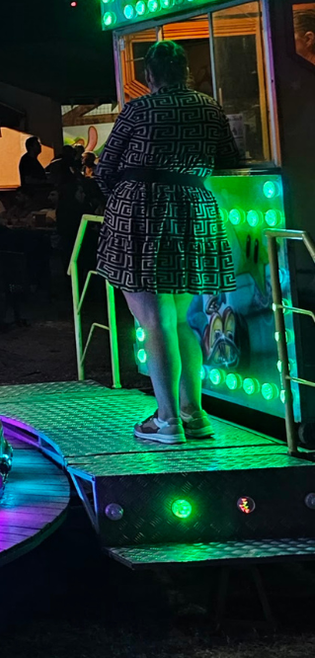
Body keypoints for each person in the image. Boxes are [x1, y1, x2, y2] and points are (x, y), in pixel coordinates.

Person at [96, 39, 245, 443]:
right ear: (187, 73)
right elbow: (230, 161)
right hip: (194, 211)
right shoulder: (209, 107)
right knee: (178, 320)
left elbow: (105, 169)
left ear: (148, 76)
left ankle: (167, 421)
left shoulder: (139, 108)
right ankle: (193, 415)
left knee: (153, 321)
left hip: (141, 213)